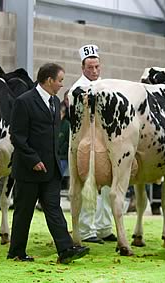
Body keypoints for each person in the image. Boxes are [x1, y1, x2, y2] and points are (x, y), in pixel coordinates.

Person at [8, 62, 89, 263]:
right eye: (60, 80)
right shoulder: (24, 102)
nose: (62, 85)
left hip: (51, 169)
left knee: (54, 208)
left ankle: (65, 249)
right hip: (29, 170)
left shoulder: (54, 103)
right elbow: (17, 136)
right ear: (49, 80)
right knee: (24, 212)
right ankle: (16, 252)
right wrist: (33, 160)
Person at [70, 44, 116, 244]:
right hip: (84, 144)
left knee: (106, 186)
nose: (95, 71)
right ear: (83, 68)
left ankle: (105, 227)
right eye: (90, 67)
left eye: (97, 66)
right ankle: (87, 230)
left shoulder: (106, 86)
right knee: (87, 186)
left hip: (105, 143)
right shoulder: (76, 90)